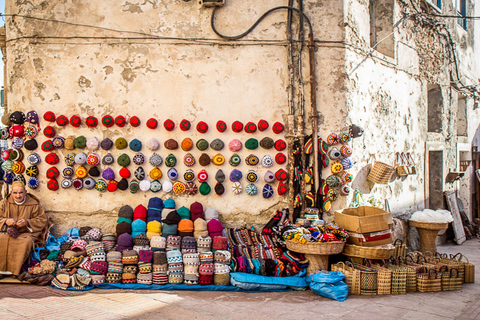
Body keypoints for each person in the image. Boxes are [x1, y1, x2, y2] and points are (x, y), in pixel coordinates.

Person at [0, 181, 49, 277]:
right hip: (7, 232)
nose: (18, 196)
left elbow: (42, 220)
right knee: (2, 240)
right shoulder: (4, 203)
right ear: (11, 193)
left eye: (20, 193)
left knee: (24, 242)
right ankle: (1, 270)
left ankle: (15, 271)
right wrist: (5, 221)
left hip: (27, 233)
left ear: (25, 192)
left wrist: (27, 222)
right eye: (15, 193)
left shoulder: (34, 204)